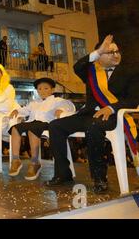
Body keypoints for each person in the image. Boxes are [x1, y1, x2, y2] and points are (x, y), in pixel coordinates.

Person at [46, 35, 139, 193]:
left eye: (117, 51)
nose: (116, 55)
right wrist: (97, 52)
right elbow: (77, 66)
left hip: (113, 116)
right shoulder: (91, 71)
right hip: (88, 114)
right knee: (55, 126)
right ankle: (63, 174)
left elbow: (132, 100)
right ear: (100, 55)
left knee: (93, 126)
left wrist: (111, 108)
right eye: (110, 52)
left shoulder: (130, 72)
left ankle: (99, 179)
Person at [8, 78, 75, 180]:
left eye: (46, 88)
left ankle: (35, 162)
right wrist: (17, 111)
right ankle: (16, 159)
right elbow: (25, 110)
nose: (42, 91)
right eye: (39, 89)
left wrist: (61, 110)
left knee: (33, 129)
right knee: (15, 128)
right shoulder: (34, 102)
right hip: (31, 122)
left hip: (47, 123)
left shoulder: (57, 100)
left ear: (52, 90)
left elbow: (69, 105)